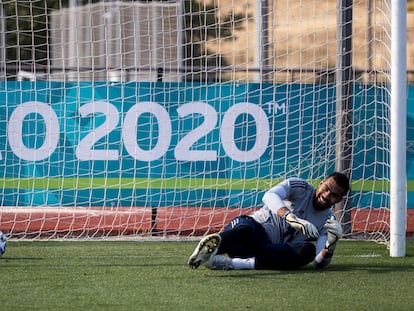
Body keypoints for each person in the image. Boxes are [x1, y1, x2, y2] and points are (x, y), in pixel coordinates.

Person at [188, 172, 350, 270]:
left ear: (339, 199)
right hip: (254, 229)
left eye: (334, 194)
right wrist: (290, 218)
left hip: (269, 251)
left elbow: (318, 263)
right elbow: (269, 196)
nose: (327, 195)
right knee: (245, 230)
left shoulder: (329, 221)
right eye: (326, 188)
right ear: (320, 184)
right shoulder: (300, 187)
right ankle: (207, 252)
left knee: (307, 250)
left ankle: (229, 264)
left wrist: (331, 245)